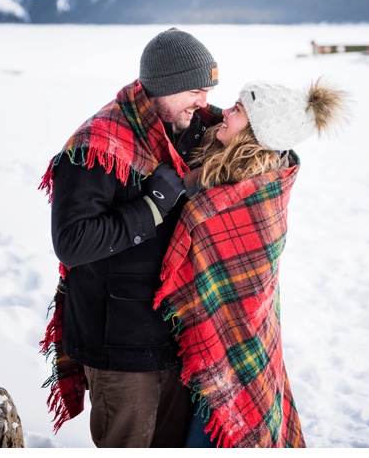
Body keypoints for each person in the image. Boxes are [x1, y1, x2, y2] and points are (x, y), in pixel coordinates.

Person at [38, 28, 221, 447]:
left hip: (177, 336)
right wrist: (153, 205)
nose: (204, 102)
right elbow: (72, 241)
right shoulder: (97, 145)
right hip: (119, 345)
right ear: (165, 85)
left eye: (208, 90)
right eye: (195, 89)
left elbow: (245, 133)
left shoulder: (193, 127)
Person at [152, 77, 348, 448]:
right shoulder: (220, 165)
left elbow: (238, 276)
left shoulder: (252, 190)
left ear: (258, 132)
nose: (225, 112)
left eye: (238, 110)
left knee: (222, 426)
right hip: (198, 343)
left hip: (231, 336)